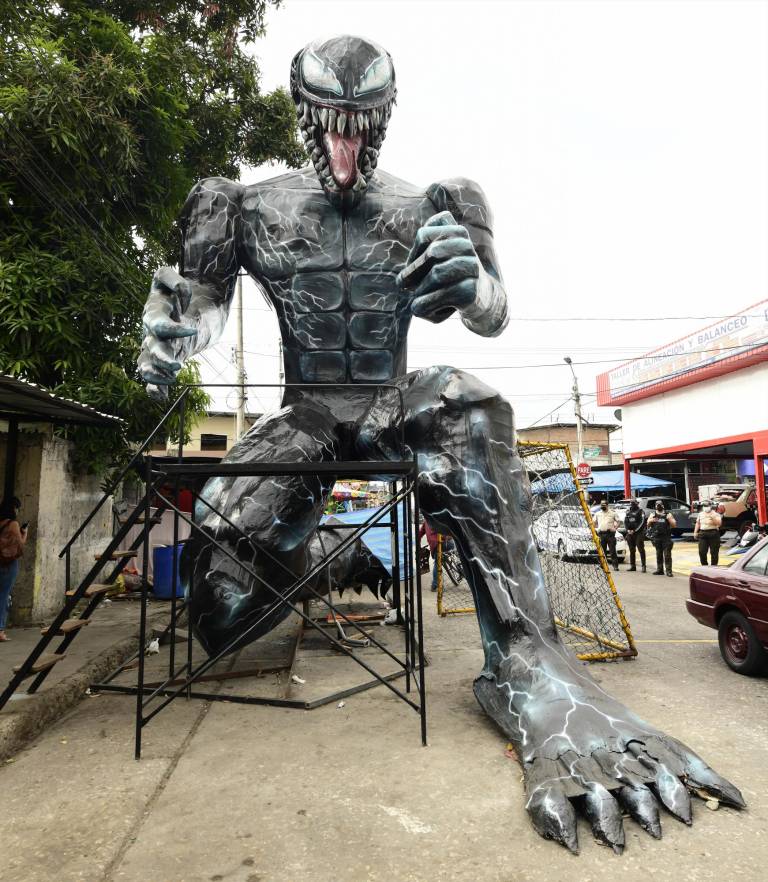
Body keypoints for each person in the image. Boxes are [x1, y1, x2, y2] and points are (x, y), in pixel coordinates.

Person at [0, 496, 28, 642]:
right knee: (4, 595)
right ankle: (0, 630)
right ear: (13, 508)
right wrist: (25, 534)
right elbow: (20, 545)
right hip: (8, 564)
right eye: (17, 508)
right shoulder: (13, 524)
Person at [646, 501, 676, 577]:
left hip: (666, 537)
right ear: (655, 506)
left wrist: (669, 519)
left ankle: (669, 571)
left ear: (663, 506)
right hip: (657, 537)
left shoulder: (668, 514)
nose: (659, 506)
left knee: (667, 555)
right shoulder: (652, 514)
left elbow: (674, 525)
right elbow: (648, 525)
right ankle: (660, 570)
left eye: (660, 505)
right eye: (657, 505)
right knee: (658, 554)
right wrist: (651, 520)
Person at [694, 500, 723, 566]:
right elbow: (698, 523)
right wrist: (695, 532)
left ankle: (714, 566)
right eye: (704, 506)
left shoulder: (716, 514)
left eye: (707, 506)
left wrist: (713, 518)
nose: (705, 507)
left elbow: (719, 524)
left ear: (710, 506)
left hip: (713, 533)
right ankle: (704, 566)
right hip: (703, 533)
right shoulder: (700, 514)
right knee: (702, 551)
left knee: (714, 552)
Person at [594, 499, 620, 571]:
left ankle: (615, 566)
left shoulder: (612, 513)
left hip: (610, 535)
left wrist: (615, 528)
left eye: (604, 505)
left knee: (612, 551)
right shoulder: (598, 513)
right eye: (601, 505)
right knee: (602, 551)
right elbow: (593, 522)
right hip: (601, 534)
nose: (602, 506)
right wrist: (596, 529)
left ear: (607, 505)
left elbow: (618, 521)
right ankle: (602, 565)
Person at [623, 498, 647, 572]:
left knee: (641, 550)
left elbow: (642, 522)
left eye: (634, 503)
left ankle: (643, 566)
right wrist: (628, 530)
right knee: (631, 550)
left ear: (637, 503)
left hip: (638, 533)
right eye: (631, 503)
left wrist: (635, 530)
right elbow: (625, 522)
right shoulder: (628, 512)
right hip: (630, 534)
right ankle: (632, 566)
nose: (632, 504)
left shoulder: (641, 511)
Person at [418, 518, 440, 591]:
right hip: (444, 543)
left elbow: (420, 533)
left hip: (434, 546)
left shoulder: (426, 521)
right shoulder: (439, 518)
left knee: (437, 562)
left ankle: (435, 585)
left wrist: (418, 544)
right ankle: (435, 584)